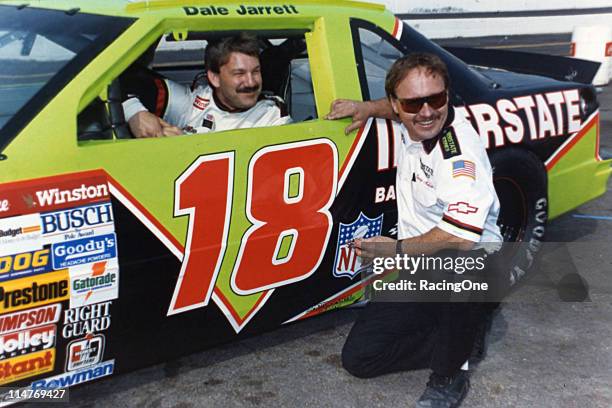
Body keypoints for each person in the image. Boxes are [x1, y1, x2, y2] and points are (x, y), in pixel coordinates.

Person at [327, 53, 503, 408]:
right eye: (413, 103)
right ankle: (462, 337)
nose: (426, 112)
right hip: (421, 266)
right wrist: (368, 108)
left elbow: (461, 237)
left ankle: (449, 374)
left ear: (448, 96)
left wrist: (396, 250)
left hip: (467, 260)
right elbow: (398, 107)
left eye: (436, 99)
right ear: (397, 103)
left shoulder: (458, 156)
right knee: (359, 360)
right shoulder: (411, 115)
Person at [121, 33, 291, 138]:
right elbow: (121, 81)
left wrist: (184, 144)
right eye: (239, 74)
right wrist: (135, 113)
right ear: (214, 78)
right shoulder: (193, 102)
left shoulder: (273, 116)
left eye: (255, 71)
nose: (251, 82)